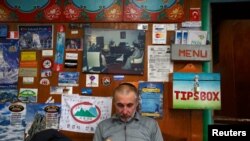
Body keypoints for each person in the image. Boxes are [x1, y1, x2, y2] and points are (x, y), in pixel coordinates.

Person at [93, 83, 163, 141]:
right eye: (120, 105)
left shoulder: (151, 125)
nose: (125, 112)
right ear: (114, 103)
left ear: (136, 103)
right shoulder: (102, 127)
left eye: (129, 105)